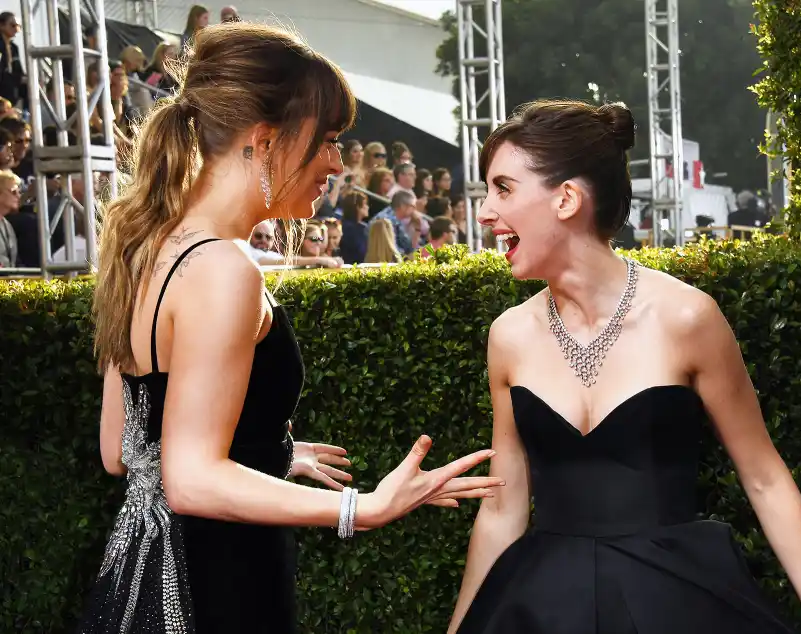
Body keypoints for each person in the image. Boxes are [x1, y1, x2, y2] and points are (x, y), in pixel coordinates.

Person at [82, 23, 503, 634]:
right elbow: (192, 478)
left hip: (143, 575)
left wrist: (268, 451)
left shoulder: (146, 250)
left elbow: (122, 451)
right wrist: (363, 507)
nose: (335, 163)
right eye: (328, 139)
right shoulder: (224, 269)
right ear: (265, 140)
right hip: (217, 581)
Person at [448, 100, 801, 634]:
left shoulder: (687, 317)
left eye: (502, 188)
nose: (484, 212)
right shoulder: (509, 336)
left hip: (676, 601)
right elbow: (503, 510)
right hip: (544, 605)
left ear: (567, 198)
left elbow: (763, 477)